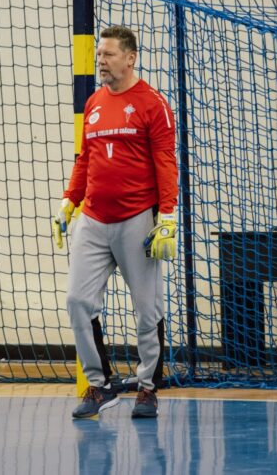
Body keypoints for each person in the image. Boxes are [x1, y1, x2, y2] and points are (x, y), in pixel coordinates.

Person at [52, 25, 178, 419]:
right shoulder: (93, 103)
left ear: (130, 58)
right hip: (93, 219)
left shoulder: (153, 104)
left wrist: (167, 215)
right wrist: (70, 201)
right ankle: (100, 385)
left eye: (108, 54)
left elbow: (165, 162)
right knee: (77, 301)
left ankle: (147, 388)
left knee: (147, 310)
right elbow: (85, 159)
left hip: (137, 219)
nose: (101, 61)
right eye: (99, 55)